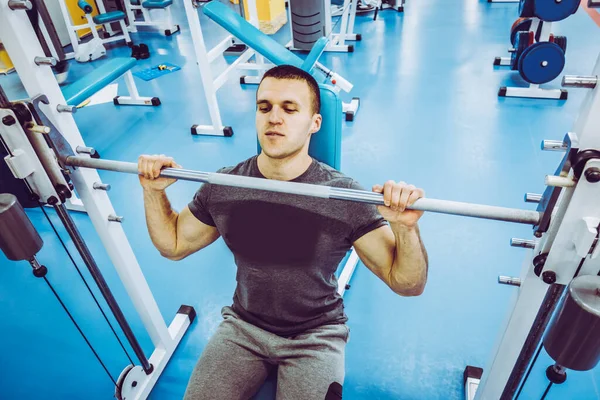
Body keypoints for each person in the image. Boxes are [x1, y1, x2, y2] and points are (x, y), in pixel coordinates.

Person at [138, 65, 428, 399]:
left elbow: (407, 284)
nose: (275, 117)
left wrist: (405, 227)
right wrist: (153, 191)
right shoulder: (226, 185)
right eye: (265, 108)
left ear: (314, 124)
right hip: (244, 328)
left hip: (316, 336)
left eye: (290, 109)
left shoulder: (343, 196)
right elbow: (173, 244)